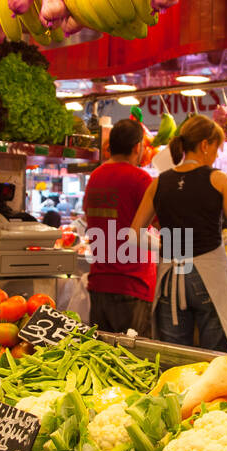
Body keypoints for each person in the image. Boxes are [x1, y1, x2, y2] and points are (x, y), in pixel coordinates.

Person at [131, 115, 227, 350]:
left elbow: (134, 234)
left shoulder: (159, 182)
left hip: (170, 278)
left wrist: (164, 248)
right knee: (215, 359)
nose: (217, 155)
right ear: (205, 145)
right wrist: (226, 241)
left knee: (172, 359)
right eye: (217, 148)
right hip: (210, 277)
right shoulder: (218, 179)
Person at [82, 118, 156, 334]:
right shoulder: (140, 179)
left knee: (102, 359)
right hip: (133, 285)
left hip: (99, 285)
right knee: (134, 361)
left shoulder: (95, 176)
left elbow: (90, 217)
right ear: (137, 147)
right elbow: (161, 222)